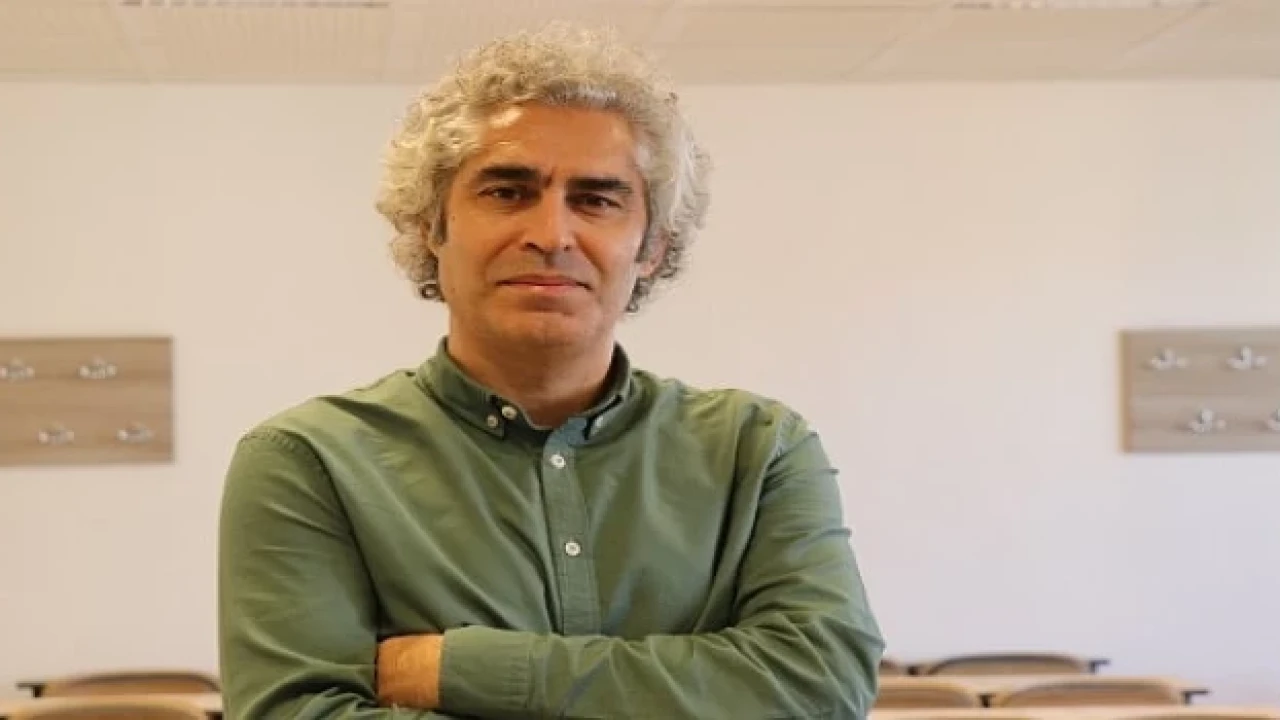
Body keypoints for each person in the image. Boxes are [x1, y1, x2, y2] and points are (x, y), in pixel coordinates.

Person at [218, 23, 884, 720]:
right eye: (507, 192)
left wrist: (460, 670)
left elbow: (822, 685)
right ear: (430, 227)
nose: (551, 235)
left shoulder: (760, 452)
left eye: (597, 200)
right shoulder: (309, 462)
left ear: (652, 248)